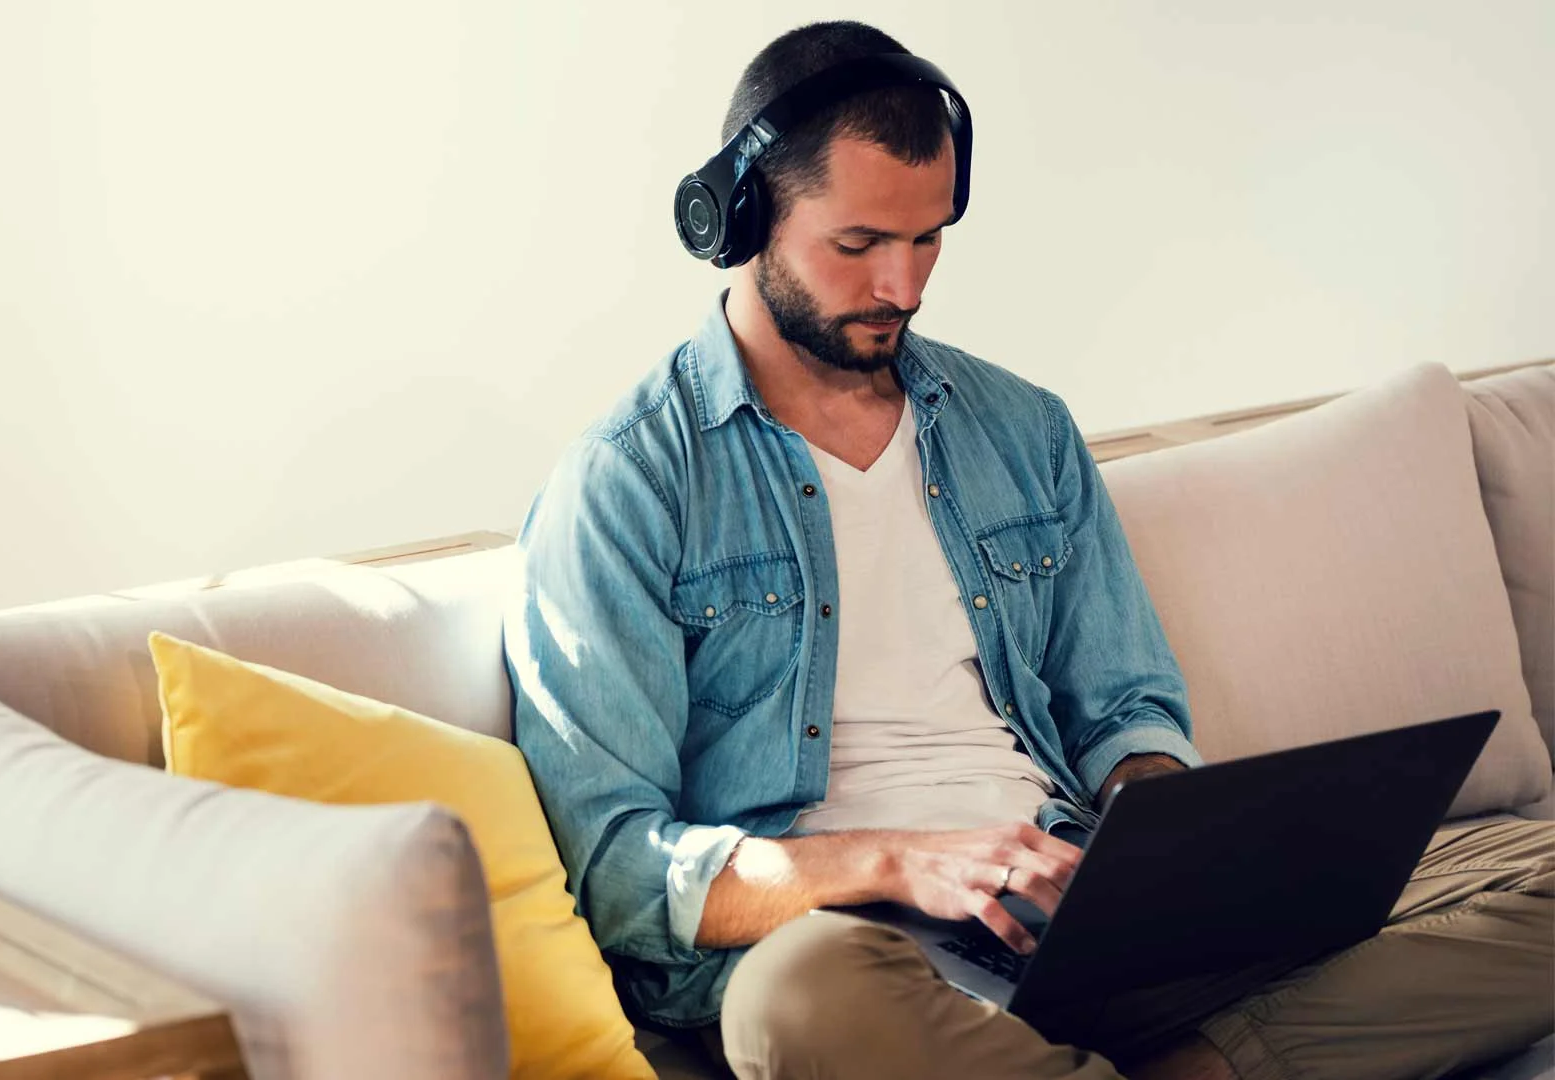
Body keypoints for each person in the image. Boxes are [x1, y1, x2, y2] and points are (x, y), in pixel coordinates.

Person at [504, 19, 1554, 1080]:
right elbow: (617, 871)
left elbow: (1126, 705)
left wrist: (1169, 840)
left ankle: (1201, 1060)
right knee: (802, 1001)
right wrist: (900, 860)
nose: (903, 289)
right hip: (852, 948)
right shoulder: (628, 482)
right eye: (860, 245)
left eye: (929, 242)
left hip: (1075, 918)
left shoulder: (1022, 428)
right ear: (741, 219)